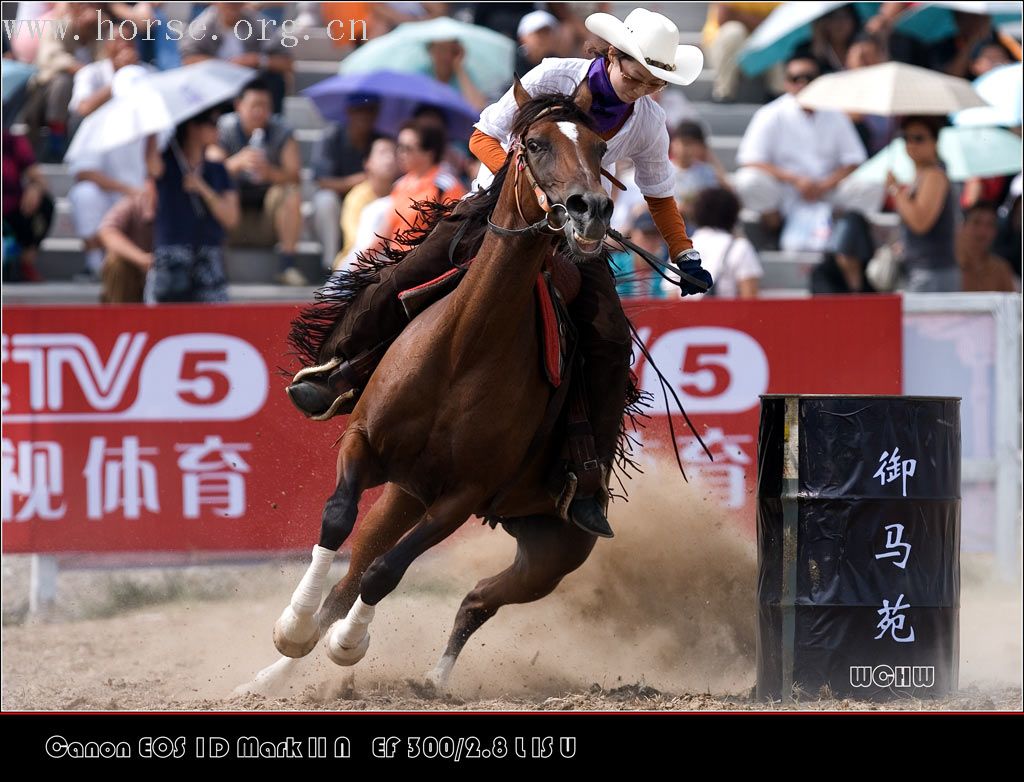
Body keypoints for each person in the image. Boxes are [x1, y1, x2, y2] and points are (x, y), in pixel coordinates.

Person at [287, 8, 714, 540]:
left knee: (608, 339)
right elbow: (482, 137)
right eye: (635, 75)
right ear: (612, 55)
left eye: (653, 82)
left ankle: (587, 476)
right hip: (499, 210)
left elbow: (659, 194)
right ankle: (338, 369)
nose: (640, 88)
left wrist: (685, 254)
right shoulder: (550, 77)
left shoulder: (648, 122)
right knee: (406, 272)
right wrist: (532, 187)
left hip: (572, 239)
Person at [734, 52, 882, 250]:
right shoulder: (770, 114)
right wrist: (795, 180)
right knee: (748, 180)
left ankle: (839, 228)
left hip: (828, 189)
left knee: (871, 186)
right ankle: (774, 228)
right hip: (786, 190)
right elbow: (750, 159)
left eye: (809, 78)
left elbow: (854, 160)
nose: (802, 84)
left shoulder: (835, 113)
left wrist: (823, 185)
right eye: (796, 79)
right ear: (786, 83)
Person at [211, 79, 306, 286]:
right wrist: (236, 163)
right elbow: (210, 170)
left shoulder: (281, 130)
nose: (259, 112)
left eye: (265, 106)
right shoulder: (223, 129)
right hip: (232, 221)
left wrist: (271, 173)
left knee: (290, 191)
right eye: (254, 105)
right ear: (239, 106)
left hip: (268, 220)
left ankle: (287, 265)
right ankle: (215, 264)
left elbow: (295, 176)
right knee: (214, 192)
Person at [144, 108, 239, 303]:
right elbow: (151, 164)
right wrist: (153, 127)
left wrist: (202, 188)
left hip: (208, 257)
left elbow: (231, 218)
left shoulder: (217, 170)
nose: (217, 129)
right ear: (193, 127)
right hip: (171, 258)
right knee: (163, 324)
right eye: (211, 123)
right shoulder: (168, 163)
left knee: (213, 326)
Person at [67, 64, 151, 279]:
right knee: (84, 194)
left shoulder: (159, 125)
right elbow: (83, 171)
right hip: (114, 200)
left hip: (150, 201)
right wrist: (126, 190)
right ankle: (97, 265)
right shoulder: (97, 122)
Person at [887, 116, 959, 293]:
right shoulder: (921, 176)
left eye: (919, 138)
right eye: (906, 138)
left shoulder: (934, 175)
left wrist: (896, 190)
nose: (911, 144)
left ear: (934, 142)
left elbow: (920, 222)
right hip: (921, 271)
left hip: (932, 272)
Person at [179, 2, 294, 113]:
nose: (232, 6)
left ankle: (270, 127)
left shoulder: (258, 23)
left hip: (251, 85)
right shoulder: (203, 24)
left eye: (237, 2)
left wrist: (257, 60)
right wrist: (225, 66)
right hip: (214, 88)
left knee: (275, 81)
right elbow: (187, 59)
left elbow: (286, 62)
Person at [311, 95, 381, 271]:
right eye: (359, 111)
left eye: (370, 111)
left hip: (367, 201)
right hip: (337, 203)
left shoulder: (379, 141)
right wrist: (358, 180)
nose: (365, 116)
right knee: (324, 200)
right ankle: (330, 266)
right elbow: (321, 181)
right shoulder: (331, 135)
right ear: (349, 112)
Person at [684, 187, 762, 299]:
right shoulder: (740, 247)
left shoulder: (680, 248)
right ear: (733, 213)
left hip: (686, 315)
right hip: (727, 315)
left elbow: (672, 298)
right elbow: (750, 301)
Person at [336, 135, 399, 268]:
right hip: (358, 262)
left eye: (393, 153)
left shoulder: (403, 192)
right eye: (382, 153)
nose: (389, 159)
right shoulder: (357, 197)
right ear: (368, 162)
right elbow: (355, 240)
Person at [1, 126, 53, 282]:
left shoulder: (11, 141)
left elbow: (39, 178)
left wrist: (35, 187)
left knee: (44, 204)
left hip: (10, 212)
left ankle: (26, 262)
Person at [96, 189, 155, 303]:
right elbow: (107, 231)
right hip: (137, 275)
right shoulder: (134, 203)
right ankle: (117, 317)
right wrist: (143, 259)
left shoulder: (190, 205)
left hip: (178, 272)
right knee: (116, 262)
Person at [670, 121, 728, 230]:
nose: (686, 149)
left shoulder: (707, 172)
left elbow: (713, 202)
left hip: (699, 226)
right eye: (683, 143)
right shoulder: (662, 171)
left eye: (691, 144)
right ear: (673, 143)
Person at [956, 201, 1018, 293]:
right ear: (962, 227)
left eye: (990, 225)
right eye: (976, 222)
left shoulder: (1001, 269)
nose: (982, 232)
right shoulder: (948, 266)